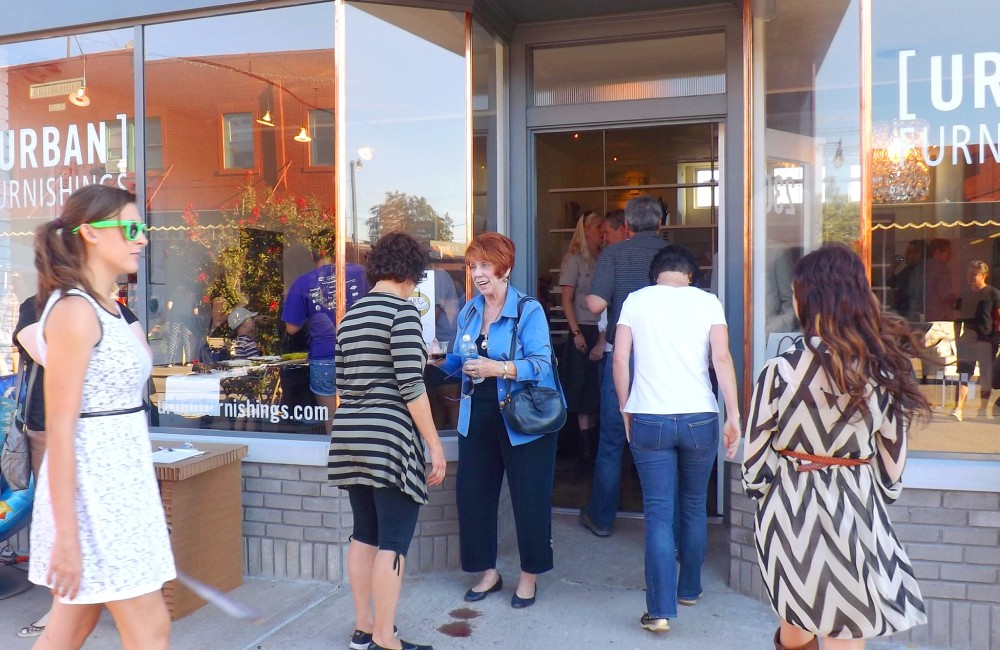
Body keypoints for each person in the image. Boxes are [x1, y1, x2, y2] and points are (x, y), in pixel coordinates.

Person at [743, 244, 929, 650]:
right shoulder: (884, 370)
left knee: (796, 623)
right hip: (856, 505)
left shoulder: (778, 370)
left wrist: (768, 494)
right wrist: (867, 488)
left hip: (790, 506)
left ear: (809, 296)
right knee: (847, 628)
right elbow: (893, 465)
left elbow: (755, 462)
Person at [29, 184, 174, 649]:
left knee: (70, 628)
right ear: (90, 232)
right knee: (151, 628)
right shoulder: (74, 311)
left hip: (121, 487)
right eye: (132, 227)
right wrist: (66, 539)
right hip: (95, 496)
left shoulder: (109, 308)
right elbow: (63, 428)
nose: (142, 238)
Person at [613, 245, 741, 633]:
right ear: (690, 274)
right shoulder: (707, 302)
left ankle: (661, 610)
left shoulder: (636, 301)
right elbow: (722, 359)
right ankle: (689, 588)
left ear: (656, 274)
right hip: (700, 416)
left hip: (649, 416)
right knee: (694, 504)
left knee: (657, 514)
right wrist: (734, 415)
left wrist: (625, 408)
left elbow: (620, 360)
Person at [328, 232, 446, 650]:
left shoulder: (352, 315)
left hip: (351, 433)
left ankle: (363, 627)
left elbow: (342, 381)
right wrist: (434, 444)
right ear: (411, 273)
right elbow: (411, 386)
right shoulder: (403, 313)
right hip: (389, 436)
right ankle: (385, 637)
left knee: (364, 534)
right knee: (393, 542)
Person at [436, 232, 561, 609]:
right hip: (478, 412)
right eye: (473, 266)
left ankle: (529, 576)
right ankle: (487, 572)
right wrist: (439, 358)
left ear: (504, 267)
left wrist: (498, 367)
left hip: (523, 415)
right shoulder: (471, 310)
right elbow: (461, 359)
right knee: (473, 495)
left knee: (530, 498)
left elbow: (540, 365)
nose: (478, 273)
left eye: (485, 266)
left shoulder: (529, 310)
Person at [13, 289, 146, 641]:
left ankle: (107, 601)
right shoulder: (37, 304)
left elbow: (141, 359)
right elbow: (48, 356)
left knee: (105, 522)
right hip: (51, 429)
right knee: (63, 521)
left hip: (109, 436)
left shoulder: (116, 309)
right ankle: (62, 608)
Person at [579, 195, 666, 537]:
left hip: (624, 357)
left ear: (627, 226)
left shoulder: (614, 253)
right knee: (659, 441)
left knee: (613, 439)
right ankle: (662, 525)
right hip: (665, 356)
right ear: (661, 224)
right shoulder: (672, 256)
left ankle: (601, 518)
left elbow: (597, 303)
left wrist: (591, 298)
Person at [281, 244, 366, 434]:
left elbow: (291, 328)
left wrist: (314, 316)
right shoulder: (359, 273)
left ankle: (336, 459)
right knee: (360, 418)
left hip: (324, 357)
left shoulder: (303, 282)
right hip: (360, 354)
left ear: (312, 255)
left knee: (332, 420)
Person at [558, 210, 604, 459]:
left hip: (602, 330)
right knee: (582, 388)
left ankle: (594, 442)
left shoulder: (605, 257)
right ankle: (584, 447)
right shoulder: (575, 259)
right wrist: (576, 333)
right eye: (597, 226)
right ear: (585, 230)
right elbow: (566, 299)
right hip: (582, 330)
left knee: (598, 389)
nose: (601, 231)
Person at [952, 260, 1000, 421]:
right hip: (967, 340)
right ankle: (958, 408)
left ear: (983, 276)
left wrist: (996, 337)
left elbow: (998, 317)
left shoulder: (993, 294)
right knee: (964, 374)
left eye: (974, 274)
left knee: (985, 375)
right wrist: (957, 337)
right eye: (969, 274)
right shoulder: (964, 294)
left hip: (987, 339)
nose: (970, 277)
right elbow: (958, 318)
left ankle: (982, 409)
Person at [888, 239, 925, 319]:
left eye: (909, 251)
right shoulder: (908, 270)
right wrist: (893, 268)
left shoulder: (921, 271)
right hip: (904, 311)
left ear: (918, 254)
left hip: (913, 312)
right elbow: (893, 284)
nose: (905, 254)